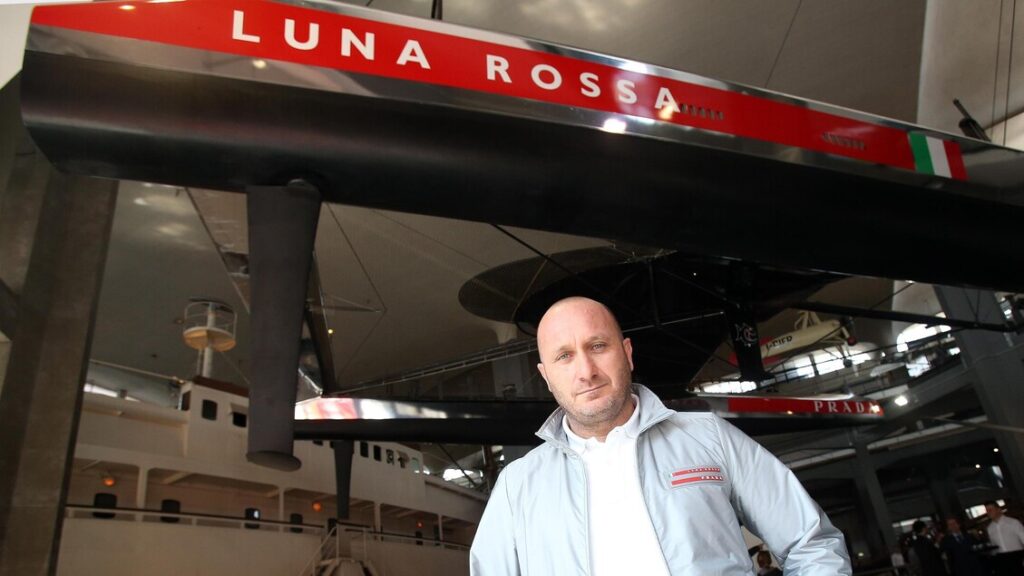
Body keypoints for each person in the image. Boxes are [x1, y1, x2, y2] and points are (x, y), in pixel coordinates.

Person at [469, 296, 851, 575]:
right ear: (546, 376)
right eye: (564, 356)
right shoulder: (517, 487)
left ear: (627, 353)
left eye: (597, 346)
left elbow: (812, 543)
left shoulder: (709, 438)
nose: (586, 371)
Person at [986, 501, 1024, 576]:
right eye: (987, 510)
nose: (988, 512)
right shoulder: (990, 528)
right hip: (1001, 559)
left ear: (998, 510)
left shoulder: (1013, 522)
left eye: (990, 509)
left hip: (1017, 557)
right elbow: (994, 546)